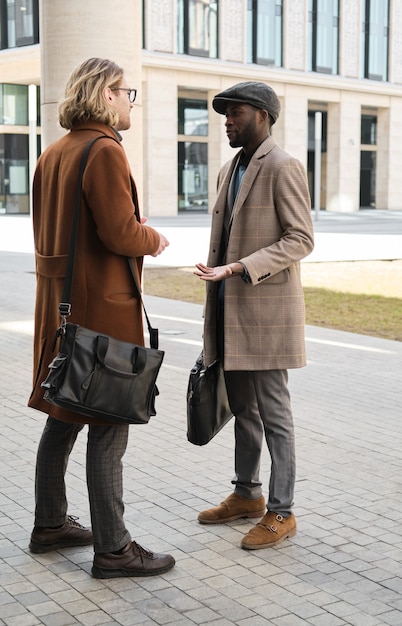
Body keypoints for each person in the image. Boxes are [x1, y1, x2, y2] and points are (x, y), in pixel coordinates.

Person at [28, 57, 175, 578]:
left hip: (61, 310)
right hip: (102, 313)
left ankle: (50, 524)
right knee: (109, 425)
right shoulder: (104, 150)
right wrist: (153, 238)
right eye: (126, 93)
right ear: (107, 94)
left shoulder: (55, 151)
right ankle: (114, 549)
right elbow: (119, 233)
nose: (130, 102)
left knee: (62, 414)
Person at [194, 81, 314, 550]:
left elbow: (300, 238)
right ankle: (247, 494)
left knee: (274, 415)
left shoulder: (283, 166)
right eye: (224, 114)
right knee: (243, 409)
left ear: (262, 115)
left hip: (266, 315)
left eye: (235, 112)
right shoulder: (229, 169)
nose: (227, 120)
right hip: (228, 312)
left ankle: (281, 511)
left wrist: (240, 267)